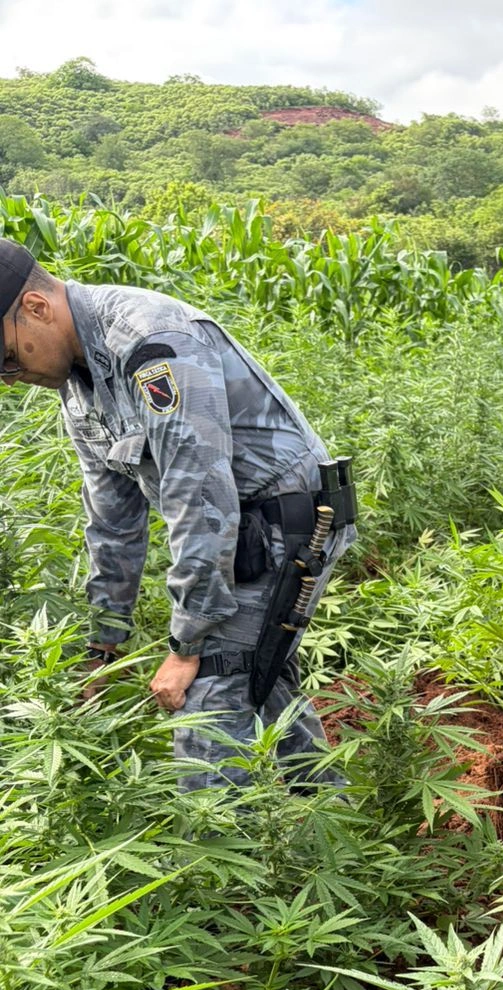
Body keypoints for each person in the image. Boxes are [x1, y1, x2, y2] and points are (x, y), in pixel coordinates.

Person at [0, 238, 354, 790]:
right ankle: (324, 831)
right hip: (238, 523)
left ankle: (220, 864)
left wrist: (187, 645)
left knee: (210, 688)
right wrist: (104, 640)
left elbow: (202, 498)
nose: (9, 376)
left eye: (7, 357)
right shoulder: (76, 383)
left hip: (284, 519)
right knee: (260, 677)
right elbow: (112, 518)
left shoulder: (153, 345)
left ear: (36, 309)